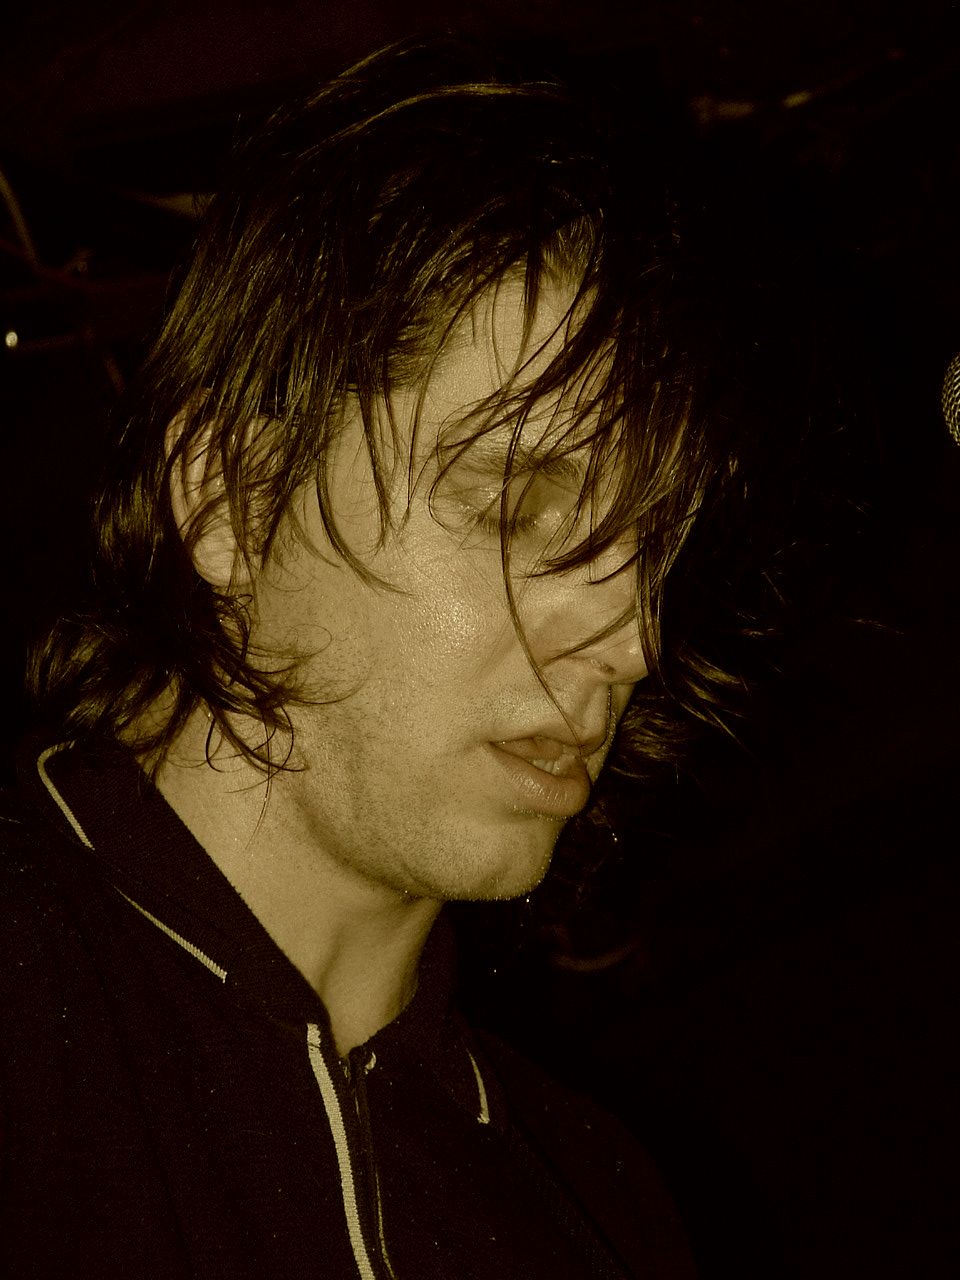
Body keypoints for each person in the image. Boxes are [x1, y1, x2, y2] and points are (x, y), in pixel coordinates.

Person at [0, 36, 758, 1278]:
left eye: (650, 557)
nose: (629, 643)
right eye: (514, 509)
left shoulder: (602, 1204)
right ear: (229, 497)